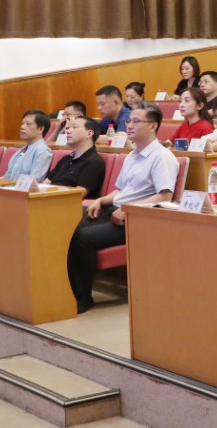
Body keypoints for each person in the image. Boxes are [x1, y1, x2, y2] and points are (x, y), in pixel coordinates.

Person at [68, 105, 177, 311]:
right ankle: (64, 291)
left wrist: (128, 209)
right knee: (66, 226)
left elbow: (164, 196)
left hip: (136, 219)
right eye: (128, 121)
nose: (129, 125)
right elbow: (120, 190)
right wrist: (101, 201)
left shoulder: (161, 157)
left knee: (82, 238)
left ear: (153, 126)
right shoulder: (132, 155)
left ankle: (82, 297)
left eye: (136, 121)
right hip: (115, 210)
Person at [44, 116, 106, 198]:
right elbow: (45, 184)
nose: (68, 131)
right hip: (49, 199)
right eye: (68, 128)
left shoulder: (94, 162)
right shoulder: (66, 159)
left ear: (89, 133)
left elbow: (77, 196)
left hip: (65, 202)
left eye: (74, 127)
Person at [4, 110, 54, 182]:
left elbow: (34, 180)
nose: (22, 127)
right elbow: (8, 176)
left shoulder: (43, 151)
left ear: (40, 129)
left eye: (28, 124)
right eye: (22, 123)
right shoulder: (22, 150)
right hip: (10, 187)